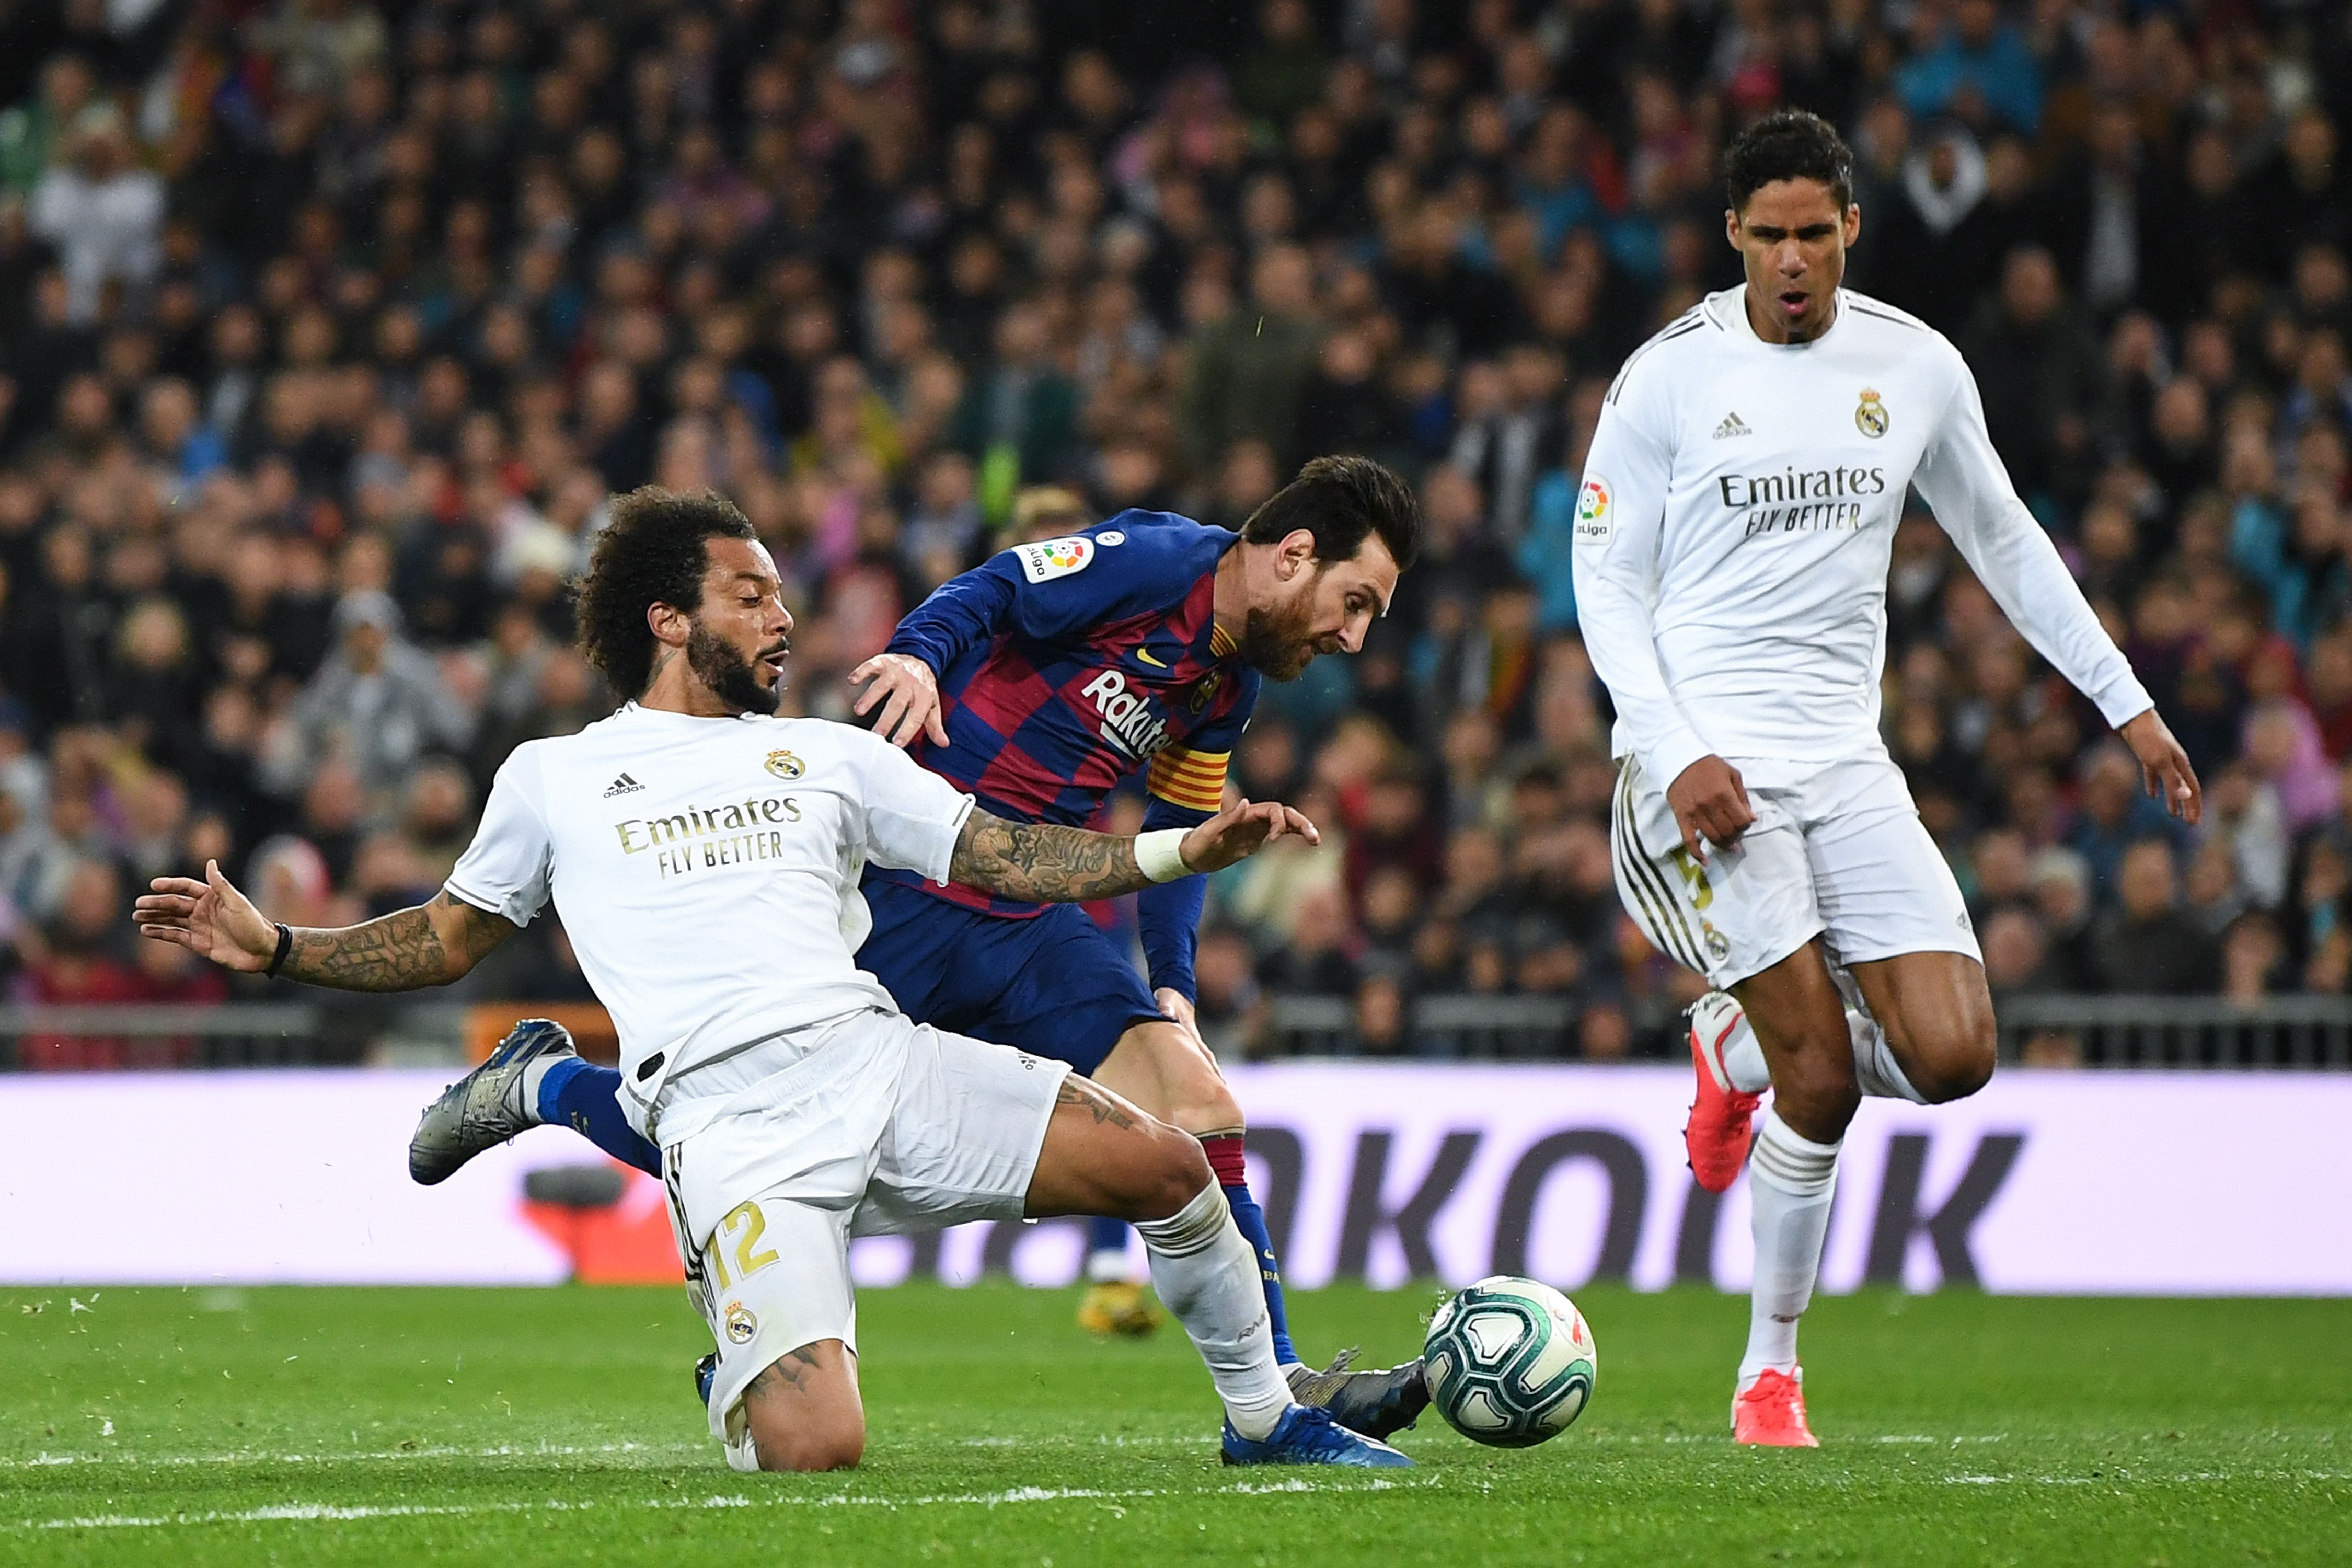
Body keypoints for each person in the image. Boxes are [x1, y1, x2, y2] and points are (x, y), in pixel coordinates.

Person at [136, 487, 1409, 1475]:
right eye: (750, 597)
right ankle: (596, 1148)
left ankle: (1265, 1411)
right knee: (820, 1452)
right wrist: (287, 950)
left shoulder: (824, 756)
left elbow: (1009, 856)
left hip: (881, 1058)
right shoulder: (552, 775)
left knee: (1174, 1158)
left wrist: (1187, 852)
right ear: (669, 620)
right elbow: (447, 935)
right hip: (731, 1129)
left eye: (782, 597)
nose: (782, 619)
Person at [1571, 111, 2200, 1447]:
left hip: (1847, 769)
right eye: (1769, 234)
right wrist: (1674, 746)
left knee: (1960, 1056)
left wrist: (2128, 703)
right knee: (1826, 1078)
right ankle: (1769, 1375)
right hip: (1702, 774)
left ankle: (1728, 1041)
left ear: (1851, 227)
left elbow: (2008, 541)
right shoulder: (1668, 377)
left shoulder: (1913, 365)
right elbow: (1604, 582)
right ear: (1732, 237)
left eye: (1817, 231)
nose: (1794, 257)